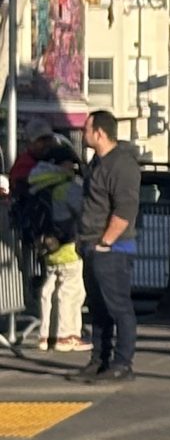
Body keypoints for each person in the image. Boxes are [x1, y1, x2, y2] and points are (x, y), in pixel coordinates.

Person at [76, 111, 140, 381]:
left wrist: (106, 242)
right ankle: (99, 360)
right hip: (91, 244)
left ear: (99, 132)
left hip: (112, 249)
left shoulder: (121, 165)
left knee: (118, 307)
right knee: (98, 307)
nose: (83, 134)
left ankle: (123, 363)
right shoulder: (96, 163)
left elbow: (125, 208)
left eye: (86, 129)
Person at [27, 141, 86, 355]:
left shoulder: (37, 183)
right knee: (71, 291)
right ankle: (67, 335)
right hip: (67, 243)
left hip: (45, 245)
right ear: (62, 165)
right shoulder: (66, 187)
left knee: (49, 291)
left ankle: (46, 336)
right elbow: (82, 211)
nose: (73, 168)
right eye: (70, 164)